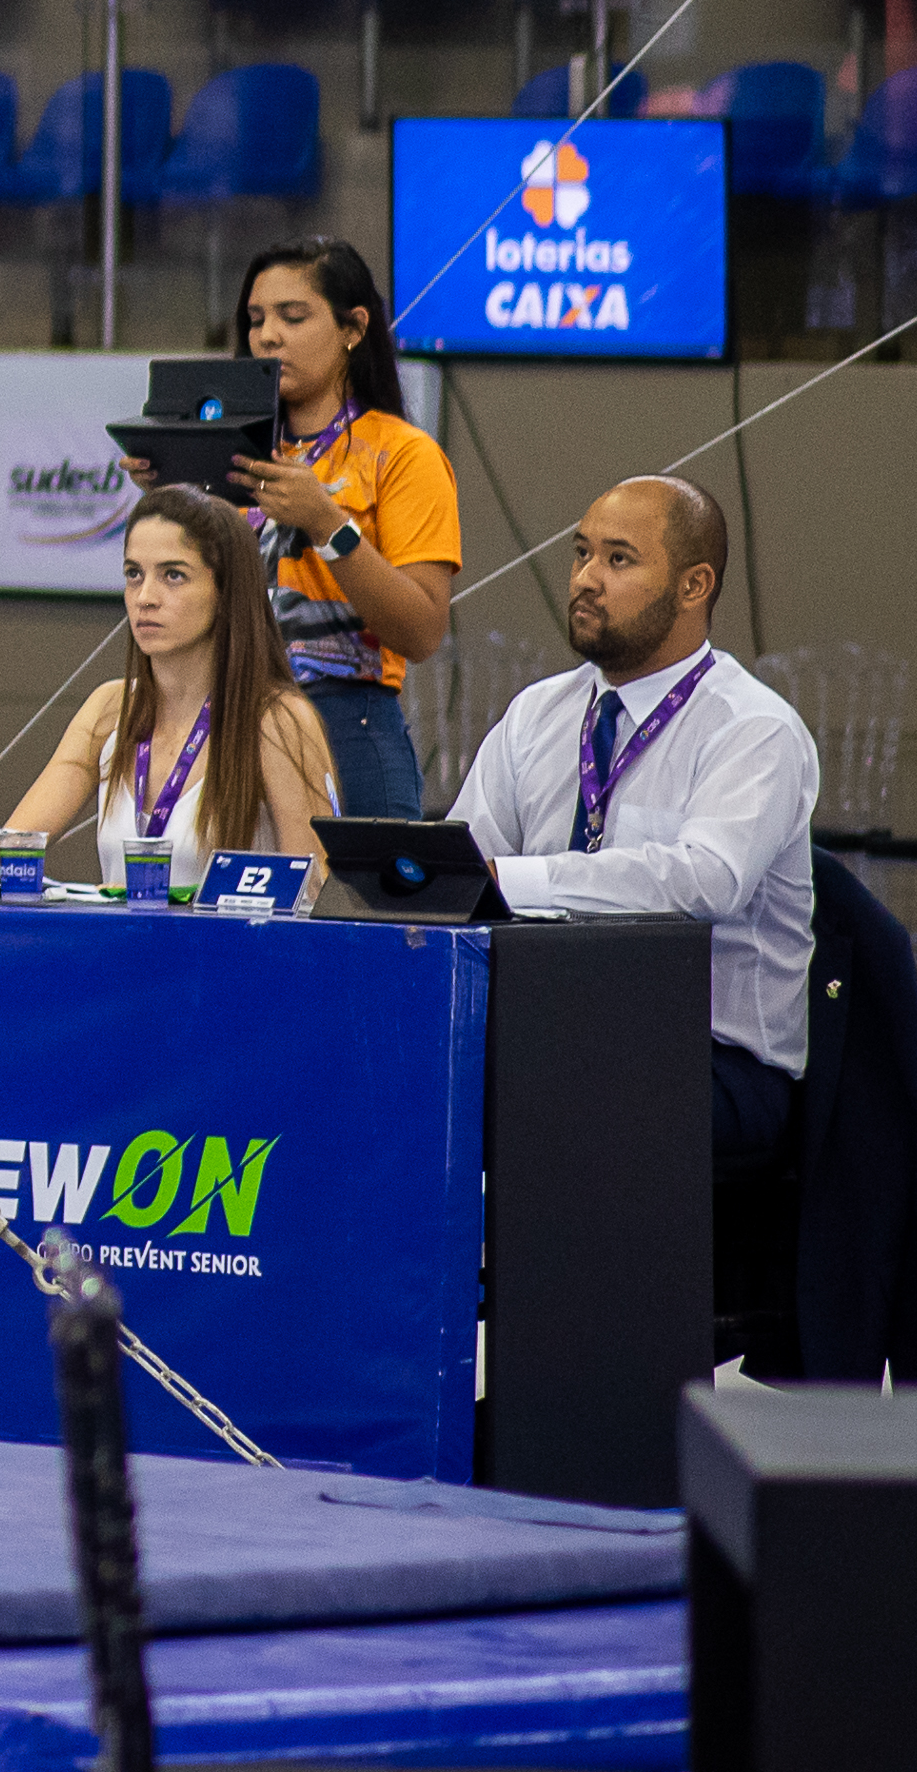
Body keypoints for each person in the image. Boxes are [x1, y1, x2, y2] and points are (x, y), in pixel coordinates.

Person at [449, 476, 817, 1180]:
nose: (585, 579)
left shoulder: (753, 728)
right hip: (553, 1029)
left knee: (538, 1103)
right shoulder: (537, 714)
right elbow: (464, 866)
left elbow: (706, 878)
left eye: (618, 559)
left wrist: (518, 880)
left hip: (709, 1058)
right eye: (581, 553)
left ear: (693, 585)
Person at [215, 235, 461, 817]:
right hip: (227, 718)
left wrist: (328, 524)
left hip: (347, 722)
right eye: (256, 319)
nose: (267, 336)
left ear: (353, 328)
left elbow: (422, 632)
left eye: (293, 316)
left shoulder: (404, 453)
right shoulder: (229, 457)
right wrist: (173, 493)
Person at [0, 485, 336, 882]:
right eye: (134, 574)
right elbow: (11, 852)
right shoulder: (109, 707)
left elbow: (315, 889)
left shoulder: (278, 720)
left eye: (173, 575)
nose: (145, 597)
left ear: (226, 590)